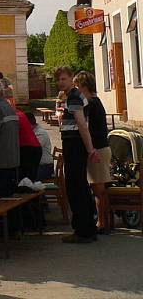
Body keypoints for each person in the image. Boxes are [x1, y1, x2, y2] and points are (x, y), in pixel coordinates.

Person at [57, 66, 99, 243]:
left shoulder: (74, 96)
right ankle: (87, 227)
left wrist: (90, 149)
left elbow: (82, 125)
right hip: (75, 144)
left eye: (64, 79)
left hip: (74, 145)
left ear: (71, 78)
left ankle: (83, 230)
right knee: (79, 185)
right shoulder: (73, 96)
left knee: (76, 187)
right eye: (58, 79)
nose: (60, 82)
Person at [75, 70, 112, 234]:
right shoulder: (96, 102)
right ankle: (103, 221)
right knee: (98, 187)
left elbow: (87, 127)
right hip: (101, 148)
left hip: (98, 150)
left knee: (98, 189)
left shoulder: (91, 103)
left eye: (77, 86)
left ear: (84, 86)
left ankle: (102, 223)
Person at [0, 78, 21, 233]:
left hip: (1, 160)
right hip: (13, 158)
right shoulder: (9, 107)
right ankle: (13, 229)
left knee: (2, 197)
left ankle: (5, 230)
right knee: (11, 196)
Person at [26, 112, 54, 181]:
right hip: (37, 166)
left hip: (44, 167)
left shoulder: (40, 133)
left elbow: (33, 150)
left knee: (28, 180)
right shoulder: (33, 132)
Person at [17, 107, 42, 182]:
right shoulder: (19, 114)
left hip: (28, 149)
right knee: (29, 179)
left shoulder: (15, 116)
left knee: (25, 180)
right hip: (33, 148)